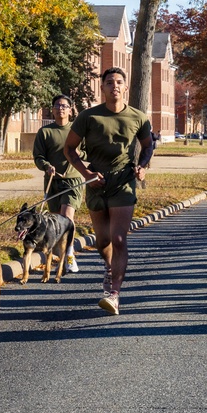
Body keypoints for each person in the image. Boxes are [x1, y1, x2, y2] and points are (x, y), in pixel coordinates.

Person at [64, 68, 154, 316]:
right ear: (102, 88)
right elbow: (69, 149)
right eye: (109, 82)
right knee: (103, 241)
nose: (114, 86)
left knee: (119, 239)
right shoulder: (88, 116)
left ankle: (114, 294)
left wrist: (142, 167)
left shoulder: (138, 117)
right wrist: (86, 174)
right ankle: (109, 266)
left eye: (119, 82)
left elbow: (148, 146)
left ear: (125, 87)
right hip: (96, 182)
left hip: (123, 182)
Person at [33, 94, 84, 273]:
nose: (60, 108)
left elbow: (87, 152)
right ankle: (61, 256)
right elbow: (38, 156)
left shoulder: (77, 131)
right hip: (53, 181)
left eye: (64, 106)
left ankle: (69, 254)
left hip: (73, 180)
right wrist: (46, 166)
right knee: (56, 221)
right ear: (52, 110)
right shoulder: (45, 132)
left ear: (70, 110)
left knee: (67, 217)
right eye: (57, 106)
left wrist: (80, 153)